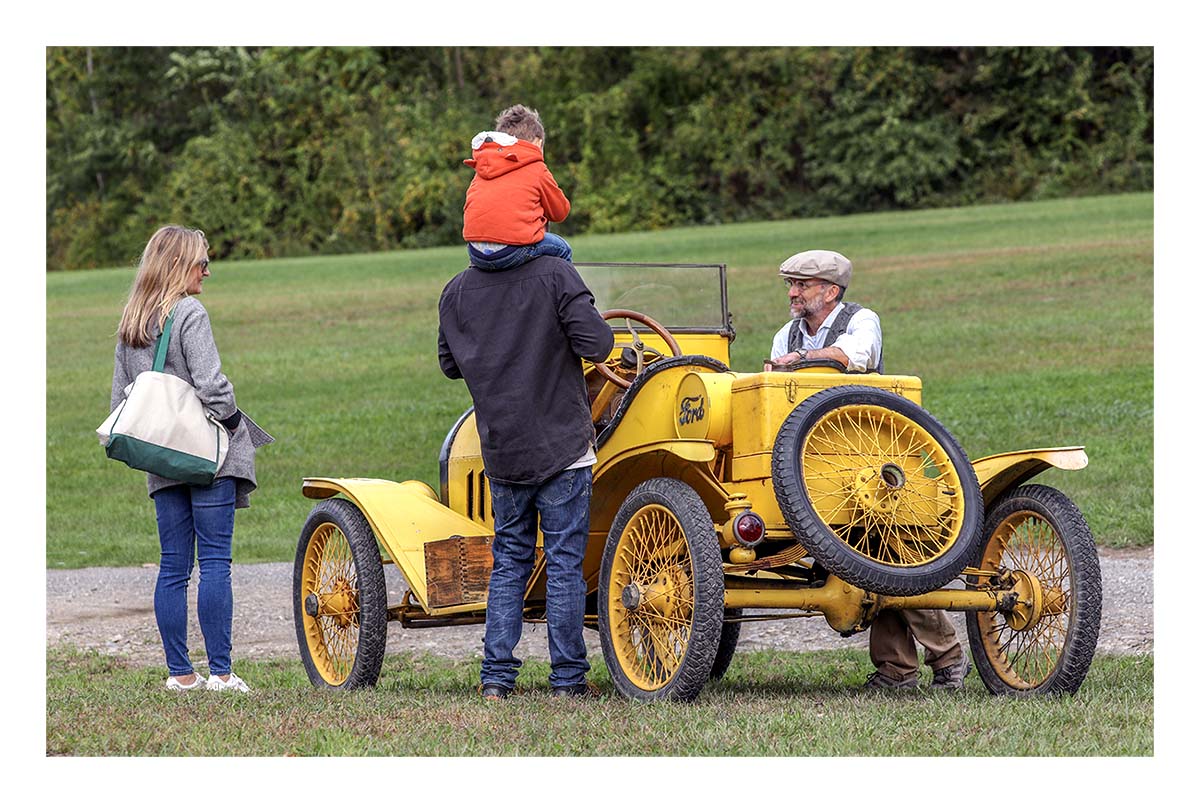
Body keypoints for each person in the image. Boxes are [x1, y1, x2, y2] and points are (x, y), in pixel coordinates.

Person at [763, 249, 971, 690]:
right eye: (790, 284)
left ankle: (948, 659)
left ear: (830, 290)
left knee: (892, 556)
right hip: (810, 460)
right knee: (868, 560)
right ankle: (897, 671)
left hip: (872, 456)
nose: (793, 293)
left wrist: (797, 363)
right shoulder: (787, 333)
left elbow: (851, 357)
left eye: (801, 284)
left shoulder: (861, 320)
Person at [438, 237, 614, 701]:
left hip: (502, 449)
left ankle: (496, 678)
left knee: (510, 561)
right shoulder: (557, 274)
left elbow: (449, 365)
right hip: (562, 447)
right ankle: (568, 680)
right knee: (563, 564)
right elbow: (599, 342)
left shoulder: (455, 290)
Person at [110, 225, 272, 693]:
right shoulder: (190, 312)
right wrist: (235, 422)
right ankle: (221, 673)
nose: (208, 270)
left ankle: (180, 674)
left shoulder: (131, 321)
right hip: (203, 456)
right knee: (216, 562)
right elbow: (213, 387)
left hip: (161, 458)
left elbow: (121, 397)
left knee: (173, 566)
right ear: (180, 266)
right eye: (202, 262)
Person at [462, 103, 573, 271]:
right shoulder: (536, 167)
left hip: (475, 252)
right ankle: (565, 294)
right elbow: (560, 212)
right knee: (563, 249)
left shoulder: (482, 168)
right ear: (538, 143)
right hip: (511, 251)